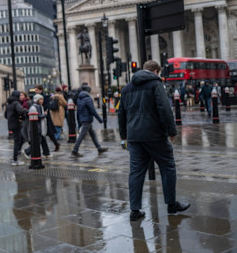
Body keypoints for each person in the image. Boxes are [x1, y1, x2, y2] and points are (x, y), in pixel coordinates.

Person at [118, 61, 190, 221]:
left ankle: (135, 210)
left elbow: (121, 113)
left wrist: (123, 135)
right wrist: (171, 130)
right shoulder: (155, 84)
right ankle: (171, 204)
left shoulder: (127, 88)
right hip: (154, 134)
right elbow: (164, 108)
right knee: (168, 166)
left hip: (134, 137)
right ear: (156, 71)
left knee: (136, 172)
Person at [71, 84, 107, 157]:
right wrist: (100, 119)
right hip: (87, 119)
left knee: (93, 134)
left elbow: (78, 112)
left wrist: (79, 122)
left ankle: (99, 148)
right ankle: (75, 150)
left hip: (83, 119)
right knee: (82, 135)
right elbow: (93, 110)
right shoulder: (88, 98)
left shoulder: (79, 98)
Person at [24, 94, 50, 159]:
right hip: (38, 127)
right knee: (37, 141)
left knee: (42, 140)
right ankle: (27, 151)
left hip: (40, 127)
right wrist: (45, 115)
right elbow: (38, 117)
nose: (42, 101)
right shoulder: (36, 107)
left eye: (42, 99)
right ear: (37, 100)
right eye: (40, 99)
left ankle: (46, 153)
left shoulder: (39, 106)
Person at [5, 90, 27, 166]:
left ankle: (17, 153)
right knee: (17, 141)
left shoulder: (9, 104)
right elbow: (21, 110)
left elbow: (5, 115)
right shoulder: (16, 103)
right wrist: (26, 111)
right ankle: (15, 159)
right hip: (16, 124)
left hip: (11, 124)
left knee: (22, 139)